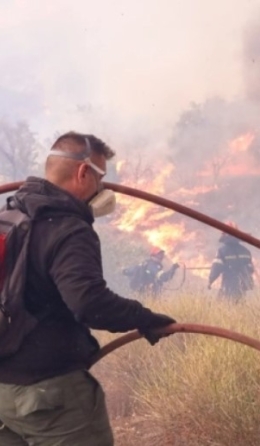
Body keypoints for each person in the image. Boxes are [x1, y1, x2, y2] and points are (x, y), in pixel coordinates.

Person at [0, 131, 176, 445]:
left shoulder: (9, 215)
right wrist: (144, 317)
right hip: (50, 394)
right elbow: (89, 303)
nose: (103, 188)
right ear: (83, 172)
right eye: (100, 178)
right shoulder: (69, 228)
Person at [208, 222, 255, 301]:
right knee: (240, 304)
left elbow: (216, 268)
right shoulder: (246, 251)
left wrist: (210, 281)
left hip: (229, 285)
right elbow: (250, 269)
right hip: (242, 286)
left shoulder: (222, 251)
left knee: (222, 304)